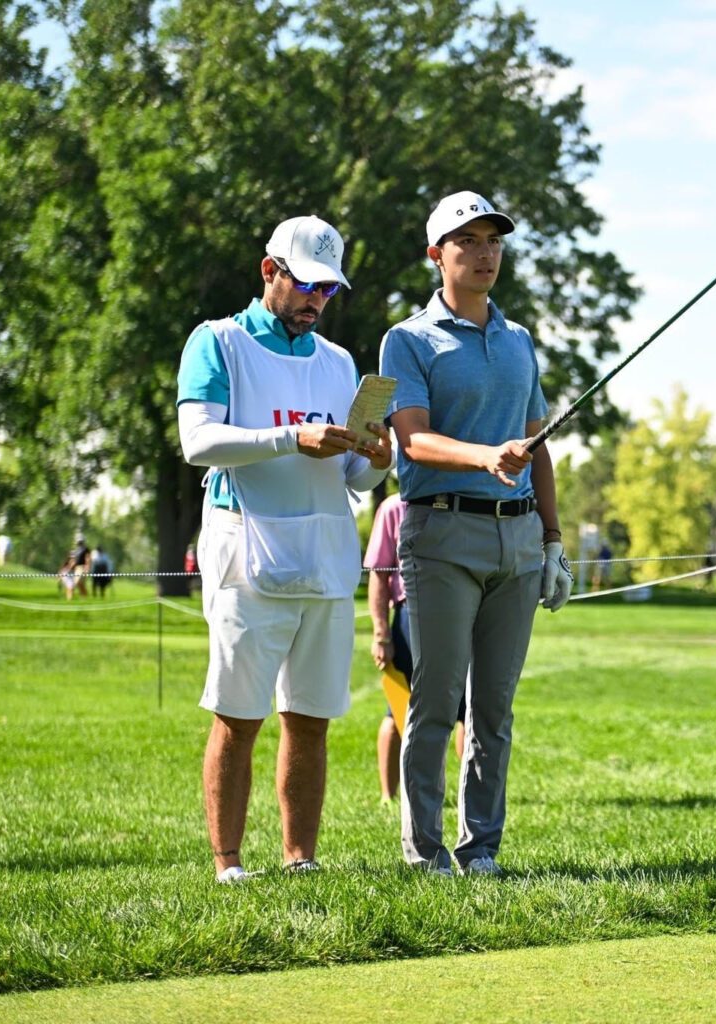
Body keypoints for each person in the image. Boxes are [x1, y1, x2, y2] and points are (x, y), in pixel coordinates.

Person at [176, 215, 392, 884]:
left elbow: (351, 475)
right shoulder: (217, 342)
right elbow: (198, 442)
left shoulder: (338, 362)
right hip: (245, 546)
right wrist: (290, 438)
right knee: (239, 715)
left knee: (311, 717)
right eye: (306, 285)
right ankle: (229, 865)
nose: (317, 301)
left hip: (325, 548)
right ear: (269, 271)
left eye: (328, 290)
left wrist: (378, 458)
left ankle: (300, 861)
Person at [380, 190, 573, 877]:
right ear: (438, 255)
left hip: (517, 542)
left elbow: (537, 444)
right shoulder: (406, 339)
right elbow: (414, 439)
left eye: (494, 240)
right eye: (469, 242)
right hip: (441, 533)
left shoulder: (519, 340)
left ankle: (481, 849)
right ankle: (424, 853)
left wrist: (553, 540)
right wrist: (485, 456)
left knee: (493, 708)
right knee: (435, 702)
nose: (485, 253)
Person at [363, 491, 463, 802]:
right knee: (398, 710)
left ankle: (466, 794)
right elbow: (379, 575)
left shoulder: (460, 500)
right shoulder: (393, 507)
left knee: (465, 710)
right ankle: (387, 795)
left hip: (459, 612)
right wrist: (381, 634)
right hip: (409, 618)